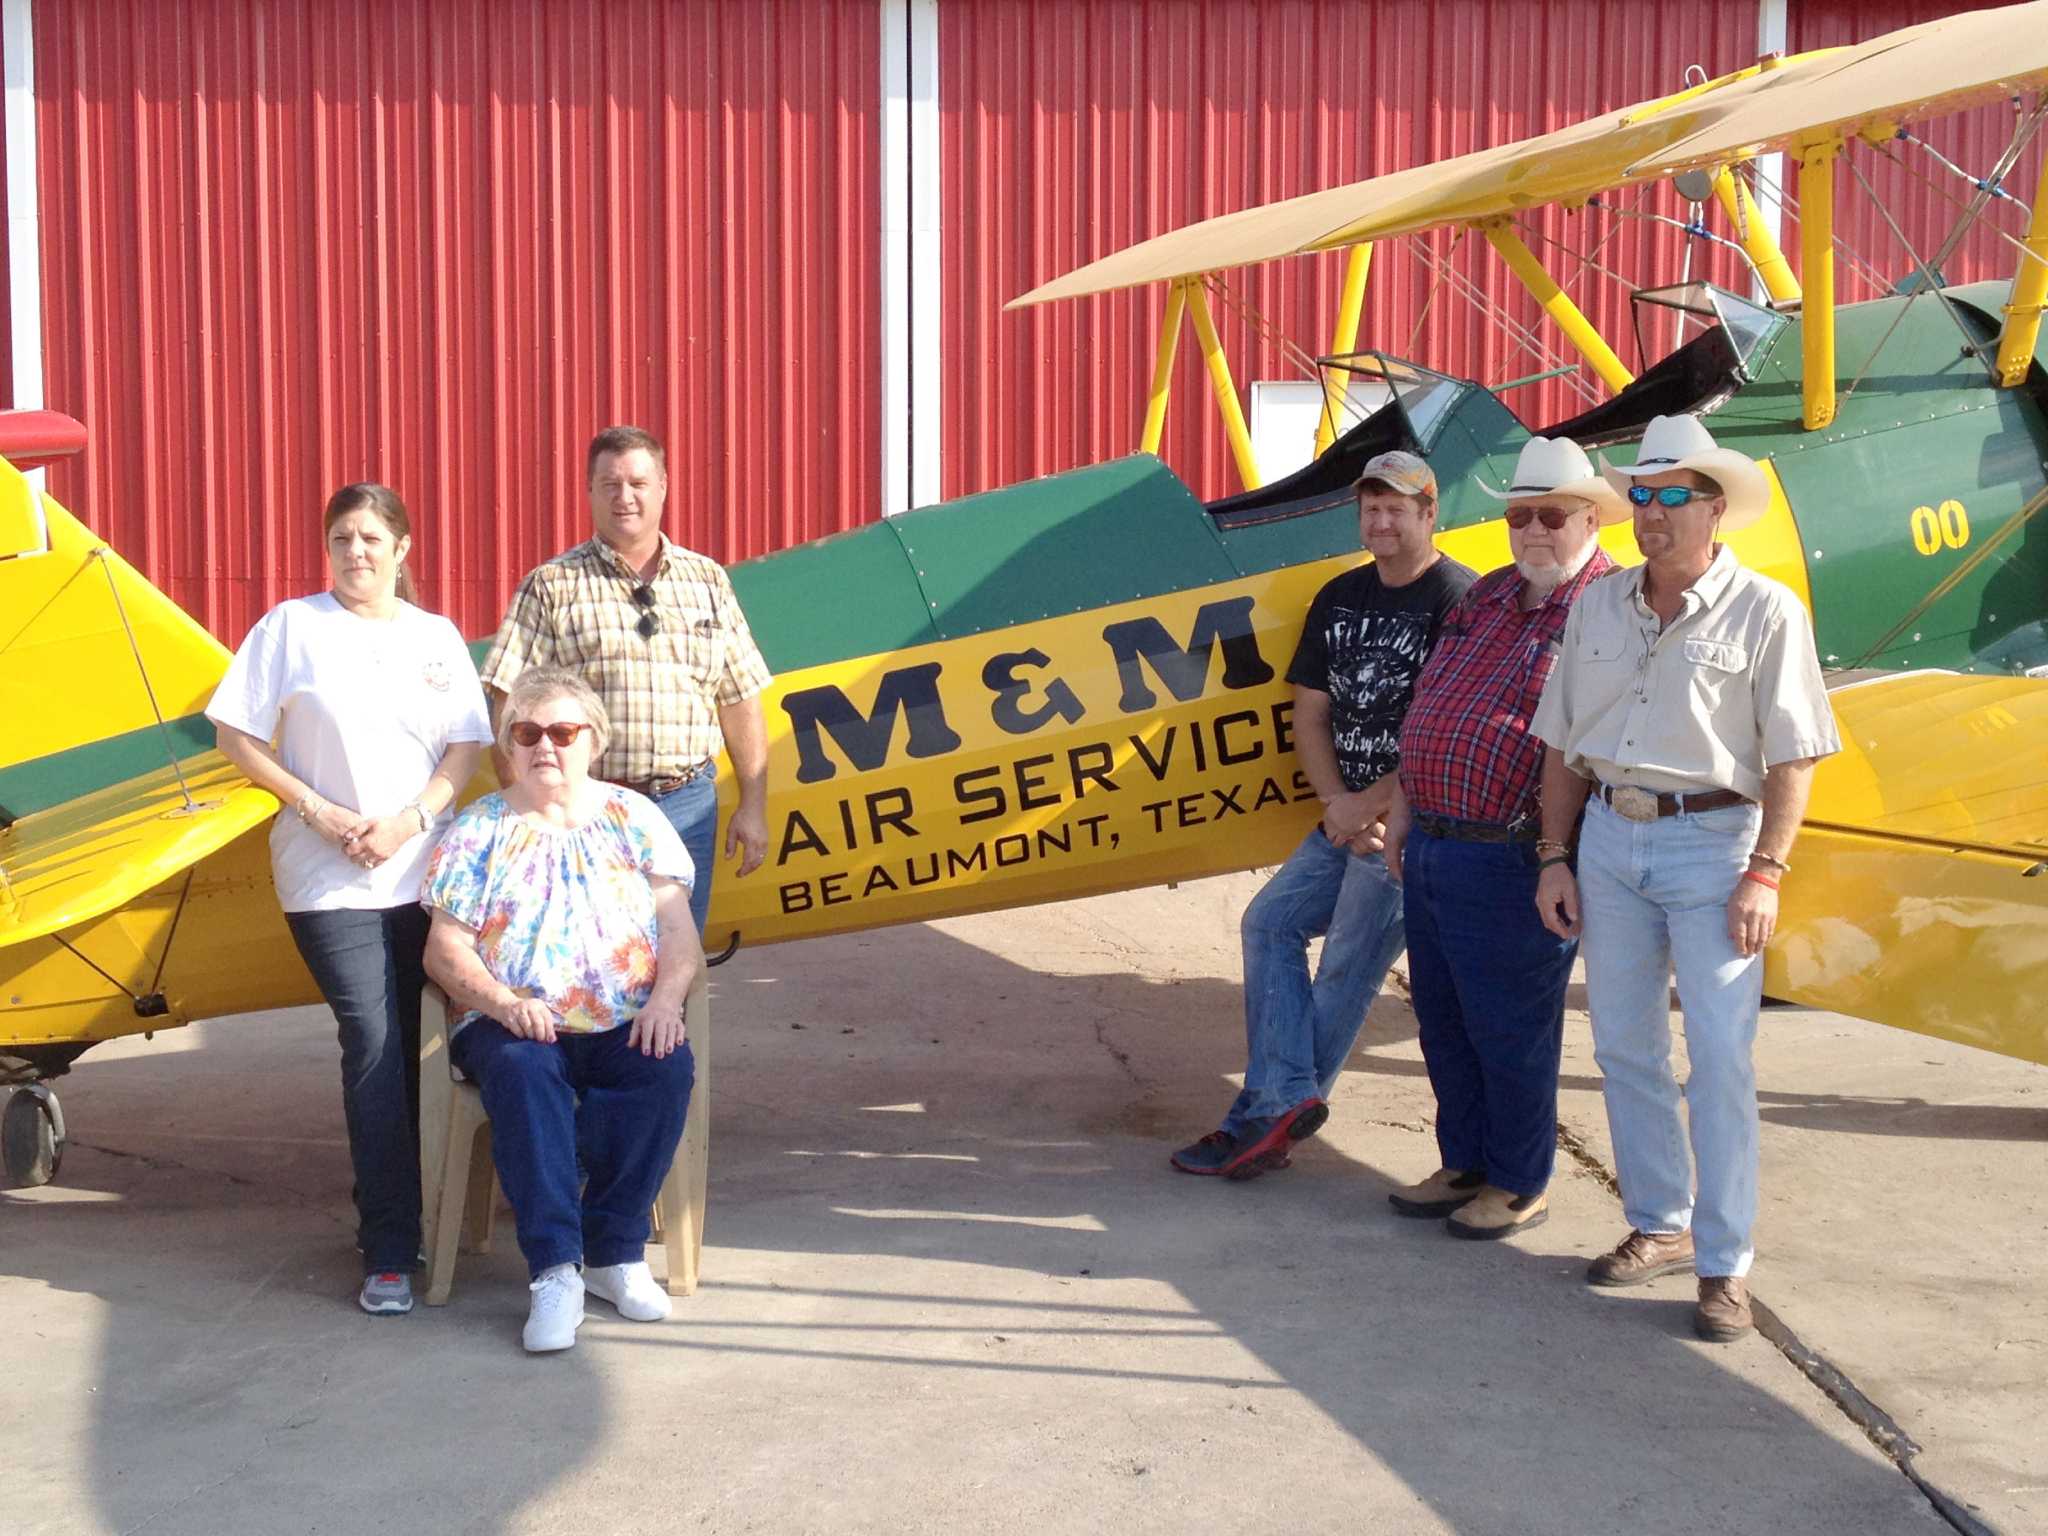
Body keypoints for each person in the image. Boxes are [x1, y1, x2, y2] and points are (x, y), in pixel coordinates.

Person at [1531, 414, 1840, 1342]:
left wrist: (1766, 873)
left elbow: (1793, 758)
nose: (1651, 513)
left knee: (1720, 1061)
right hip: (1609, 843)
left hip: (1714, 847)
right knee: (1624, 1046)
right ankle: (1659, 1225)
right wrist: (1554, 853)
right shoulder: (1598, 604)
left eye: (1673, 497)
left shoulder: (1769, 610)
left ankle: (1725, 1263)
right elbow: (1562, 745)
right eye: (1643, 496)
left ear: (1715, 509)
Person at [208, 483, 492, 1317]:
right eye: (342, 537)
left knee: (425, 1042)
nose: (357, 552)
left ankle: (444, 1211)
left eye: (372, 537)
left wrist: (410, 820)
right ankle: (392, 1248)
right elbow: (237, 737)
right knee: (372, 1040)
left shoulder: (435, 637)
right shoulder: (290, 629)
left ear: (403, 548)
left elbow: (466, 746)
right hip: (326, 878)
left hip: (421, 870)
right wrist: (322, 812)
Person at [1172, 451, 1475, 1179]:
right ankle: (1280, 1104)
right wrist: (1336, 804)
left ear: (1430, 515)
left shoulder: (1458, 597)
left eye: (1397, 508)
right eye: (1371, 508)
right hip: (1344, 814)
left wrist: (1372, 808)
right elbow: (1310, 709)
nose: (1381, 520)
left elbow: (1449, 727)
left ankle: (1260, 1118)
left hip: (1411, 825)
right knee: (1268, 922)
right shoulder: (1341, 595)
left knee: (1346, 965)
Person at [422, 666, 702, 1354]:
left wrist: (666, 1001)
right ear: (509, 747)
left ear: (593, 743)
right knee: (522, 1071)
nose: (545, 745)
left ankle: (615, 1253)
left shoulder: (636, 817)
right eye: (527, 733)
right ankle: (555, 1271)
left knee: (662, 1071)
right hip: (513, 1023)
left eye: (563, 732)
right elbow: (443, 951)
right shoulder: (478, 828)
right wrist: (502, 1001)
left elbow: (679, 933)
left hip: (622, 1015)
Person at [1381, 437, 1619, 1240]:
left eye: (1552, 515)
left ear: (1590, 516)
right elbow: (1432, 701)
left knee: (1510, 1027)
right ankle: (1467, 1162)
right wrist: (1407, 807)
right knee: (1443, 1018)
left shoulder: (1608, 604)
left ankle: (1519, 1180)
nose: (1534, 531)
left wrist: (1559, 855)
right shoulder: (1484, 596)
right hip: (1437, 841)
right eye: (1521, 515)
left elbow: (1591, 744)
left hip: (1515, 851)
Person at [479, 425, 772, 933]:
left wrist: (753, 806)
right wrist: (530, 809)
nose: (625, 497)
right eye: (610, 484)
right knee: (595, 962)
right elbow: (505, 703)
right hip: (587, 807)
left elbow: (739, 700)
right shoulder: (552, 586)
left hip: (689, 806)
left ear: (663, 487)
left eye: (638, 483)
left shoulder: (707, 581)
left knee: (678, 961)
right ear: (590, 492)